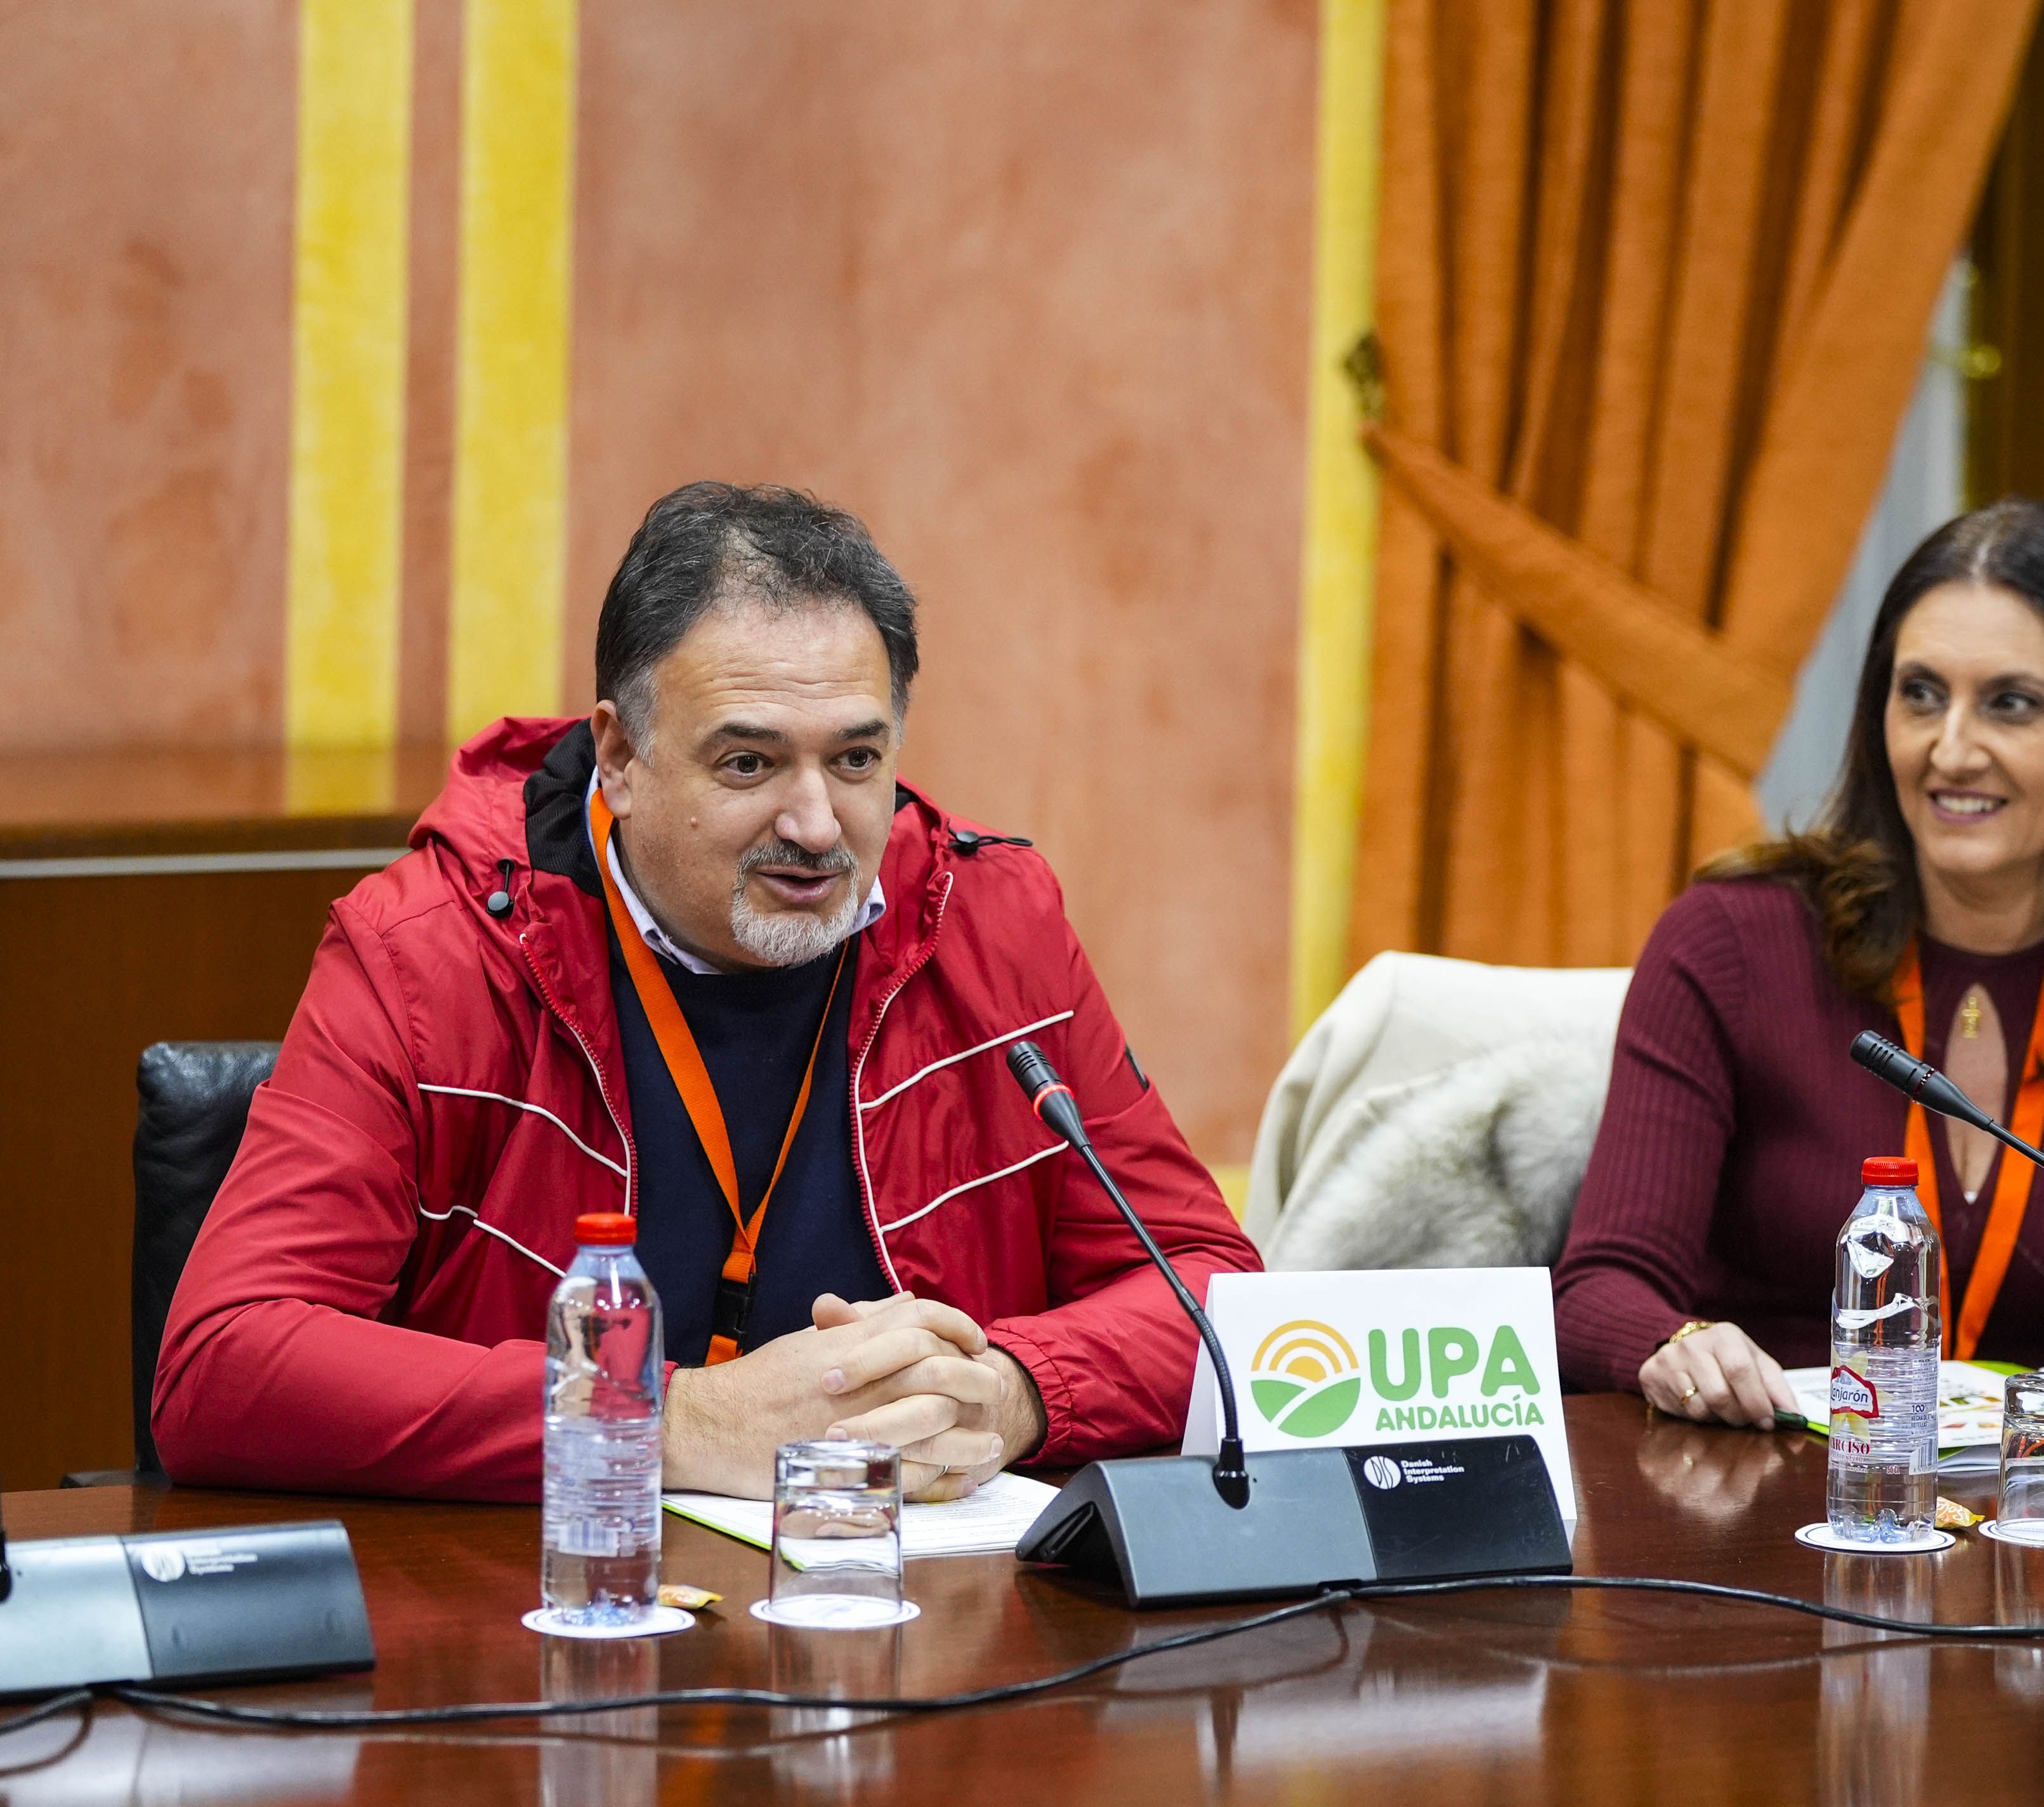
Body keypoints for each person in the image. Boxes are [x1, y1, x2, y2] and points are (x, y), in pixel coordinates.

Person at [154, 482, 1261, 1500]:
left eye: (857, 761)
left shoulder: (991, 923)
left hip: (911, 1621)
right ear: (620, 759)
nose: (818, 826)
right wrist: (661, 1418)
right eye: (749, 764)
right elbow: (224, 1364)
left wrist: (1019, 1392)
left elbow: (1213, 1291)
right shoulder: (428, 956)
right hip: (556, 1621)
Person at [1553, 499, 2044, 1428]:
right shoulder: (1731, 942)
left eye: (2012, 703)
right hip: (1755, 1487)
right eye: (1921, 695)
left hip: (2030, 1513)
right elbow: (1601, 1287)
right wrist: (1674, 1344)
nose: (1951, 750)